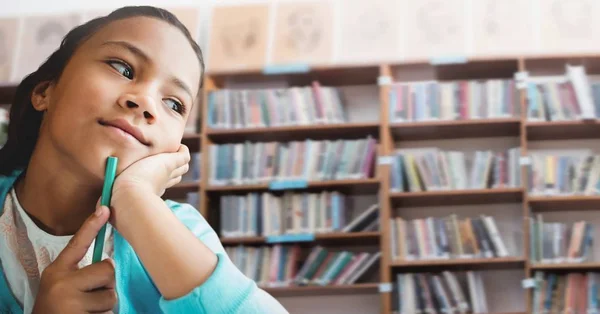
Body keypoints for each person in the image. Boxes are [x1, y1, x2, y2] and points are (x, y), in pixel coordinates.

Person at [0, 6, 289, 314]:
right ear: (45, 91)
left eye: (173, 104)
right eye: (122, 68)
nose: (147, 103)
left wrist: (134, 196)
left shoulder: (181, 231)